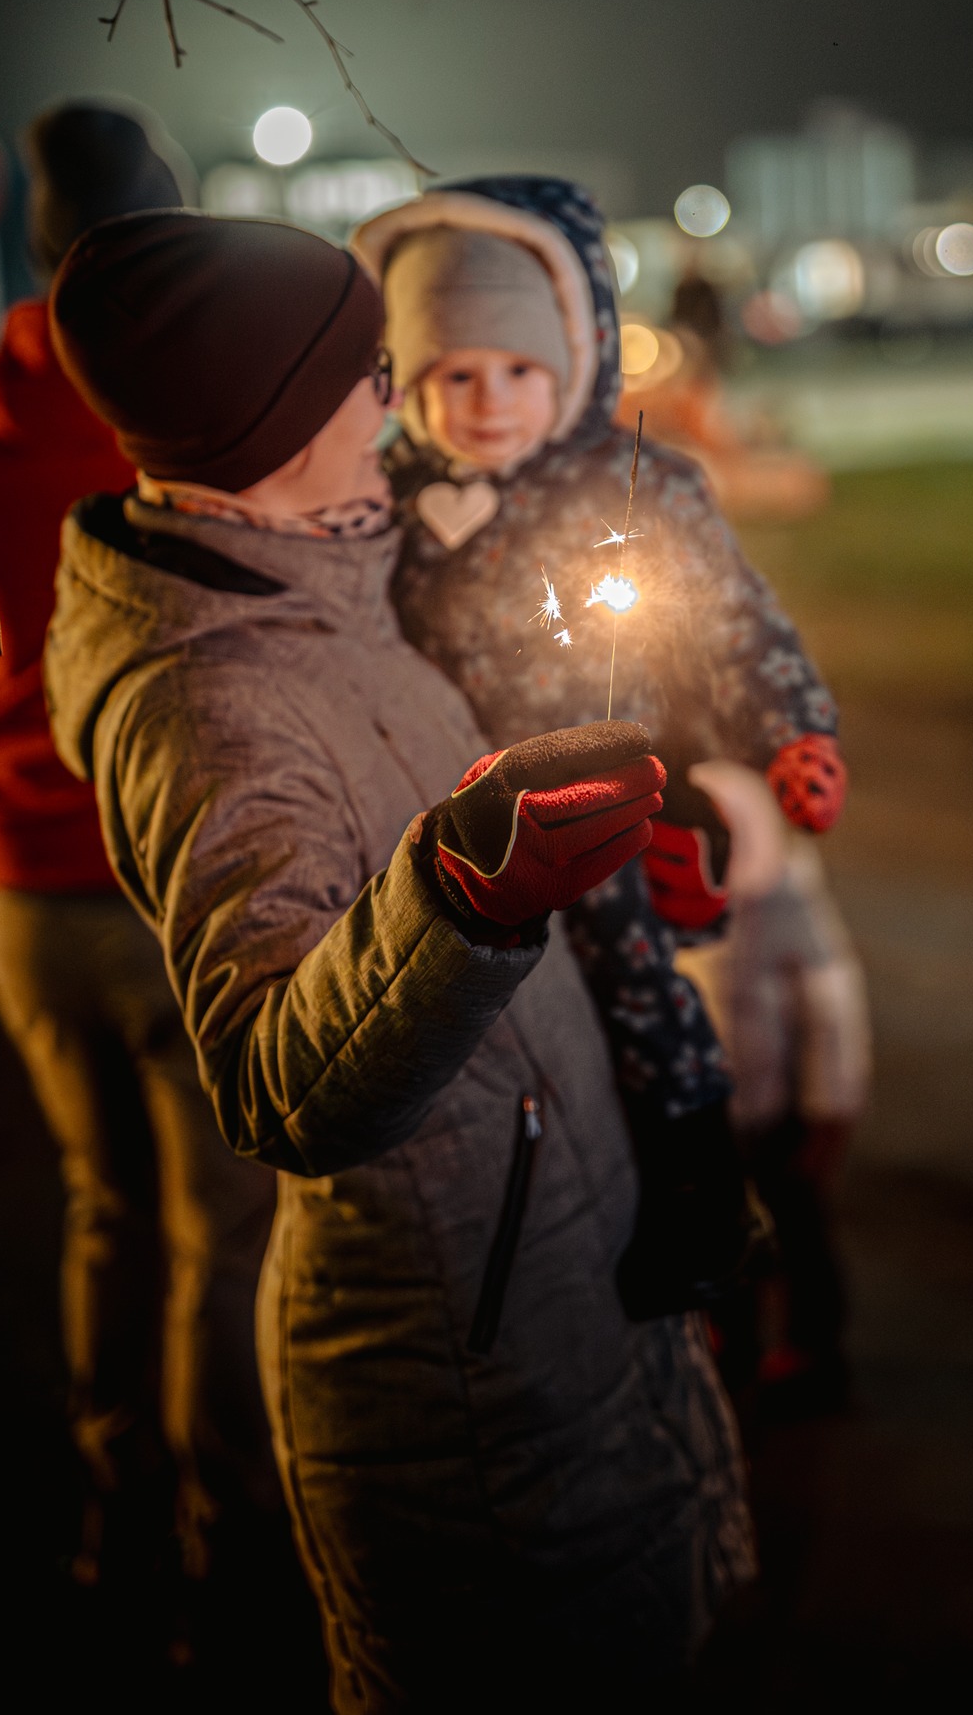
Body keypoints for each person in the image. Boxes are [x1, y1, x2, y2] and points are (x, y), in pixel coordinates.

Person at [43, 208, 754, 1708]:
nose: (398, 391)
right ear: (283, 415)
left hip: (557, 1284)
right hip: (461, 1372)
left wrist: (624, 853)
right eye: (368, 369)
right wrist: (466, 895)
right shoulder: (211, 702)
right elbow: (278, 1087)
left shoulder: (328, 578)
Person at [350, 177, 848, 1316]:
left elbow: (735, 621)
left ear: (572, 356)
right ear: (405, 380)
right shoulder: (382, 497)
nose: (488, 401)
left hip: (598, 792)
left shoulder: (631, 486)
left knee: (638, 983)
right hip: (451, 814)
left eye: (519, 370)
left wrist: (790, 731)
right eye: (454, 373)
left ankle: (702, 1193)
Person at [0, 102, 279, 1589]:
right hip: (174, 878)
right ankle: (218, 1557)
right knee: (217, 1248)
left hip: (26, 889)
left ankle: (112, 1518)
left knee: (100, 1214)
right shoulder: (193, 398)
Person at [676, 762, 872, 1418]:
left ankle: (812, 1347)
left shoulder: (789, 907)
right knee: (719, 1231)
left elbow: (831, 1013)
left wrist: (828, 1114)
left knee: (798, 1225)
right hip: (708, 1108)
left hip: (777, 1107)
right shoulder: (672, 893)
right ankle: (732, 1342)